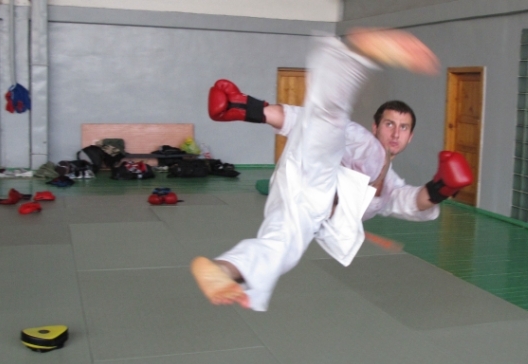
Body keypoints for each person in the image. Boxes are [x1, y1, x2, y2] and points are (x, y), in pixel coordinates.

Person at [191, 28, 473, 311]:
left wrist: (441, 188)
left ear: (410, 137)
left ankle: (223, 271)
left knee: (281, 249)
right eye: (389, 124)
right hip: (315, 175)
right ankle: (356, 54)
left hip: (305, 209)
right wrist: (250, 108)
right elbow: (304, 120)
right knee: (330, 121)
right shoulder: (361, 141)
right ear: (376, 126)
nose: (396, 133)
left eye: (404, 128)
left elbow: (413, 202)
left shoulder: (391, 187)